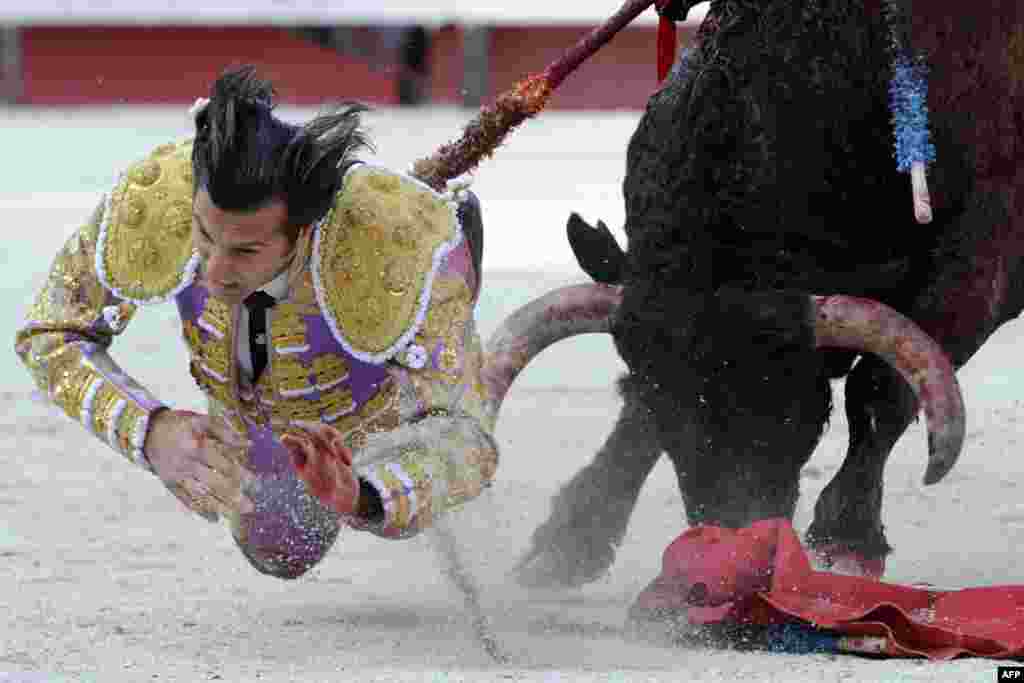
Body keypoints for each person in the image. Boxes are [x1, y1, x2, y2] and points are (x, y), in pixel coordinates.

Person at [15, 65, 496, 579]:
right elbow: (49, 333)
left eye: (246, 250)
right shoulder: (161, 197)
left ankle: (471, 320)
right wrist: (152, 431)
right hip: (247, 415)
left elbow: (467, 440)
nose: (216, 272)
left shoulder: (405, 253)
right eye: (203, 232)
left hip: (376, 415)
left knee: (409, 495)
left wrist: (366, 495)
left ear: (304, 231)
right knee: (279, 550)